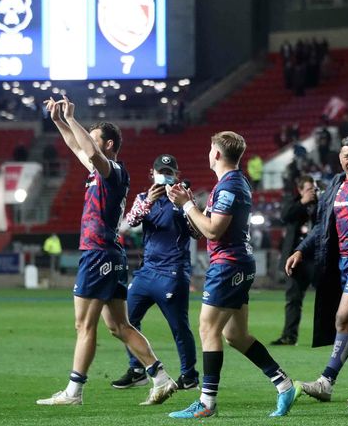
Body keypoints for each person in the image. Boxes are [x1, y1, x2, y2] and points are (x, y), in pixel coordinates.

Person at [36, 97, 177, 406]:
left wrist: (73, 118)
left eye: (95, 137)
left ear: (108, 145)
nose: (89, 143)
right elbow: (78, 147)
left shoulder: (112, 170)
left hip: (98, 254)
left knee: (84, 325)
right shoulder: (102, 171)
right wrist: (59, 121)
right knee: (119, 326)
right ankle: (161, 377)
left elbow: (87, 149)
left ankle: (74, 392)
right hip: (107, 254)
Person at [166, 131, 300, 418]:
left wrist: (187, 206)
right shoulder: (230, 184)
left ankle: (206, 403)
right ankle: (284, 385)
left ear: (216, 154)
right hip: (236, 263)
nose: (208, 153)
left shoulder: (229, 187)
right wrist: (192, 207)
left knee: (208, 329)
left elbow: (214, 230)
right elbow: (209, 225)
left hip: (228, 265)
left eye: (210, 149)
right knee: (236, 335)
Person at [285, 135, 348, 403]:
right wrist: (300, 249)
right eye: (347, 156)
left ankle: (327, 381)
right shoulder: (336, 184)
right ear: (340, 158)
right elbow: (321, 226)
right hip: (339, 263)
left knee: (344, 317)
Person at [110, 154, 200, 391]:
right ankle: (138, 369)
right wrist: (147, 201)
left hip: (173, 272)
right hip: (146, 271)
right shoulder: (143, 198)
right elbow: (129, 223)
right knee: (126, 320)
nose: (165, 175)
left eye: (170, 172)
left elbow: (198, 232)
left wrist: (186, 205)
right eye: (162, 171)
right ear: (152, 173)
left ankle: (189, 375)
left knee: (179, 327)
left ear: (176, 175)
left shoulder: (184, 200)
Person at [271, 175, 318, 346]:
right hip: (295, 260)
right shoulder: (292, 202)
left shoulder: (320, 203)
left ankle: (336, 335)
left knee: (328, 297)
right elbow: (285, 216)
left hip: (317, 258)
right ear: (300, 190)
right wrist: (302, 203)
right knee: (293, 299)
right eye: (308, 189)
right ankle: (289, 336)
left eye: (314, 189)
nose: (312, 192)